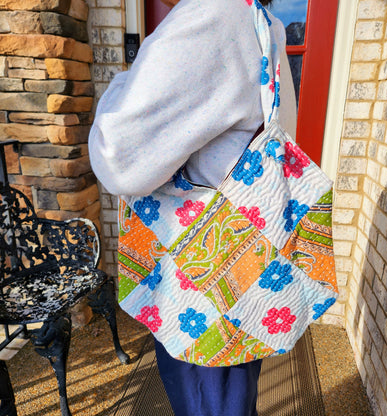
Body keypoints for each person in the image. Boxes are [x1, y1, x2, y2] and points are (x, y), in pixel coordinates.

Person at [89, 0, 296, 415]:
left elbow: (118, 156)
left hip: (198, 274)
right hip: (240, 264)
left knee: (206, 401)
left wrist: (120, 85)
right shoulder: (261, 19)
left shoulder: (210, 15)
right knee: (232, 397)